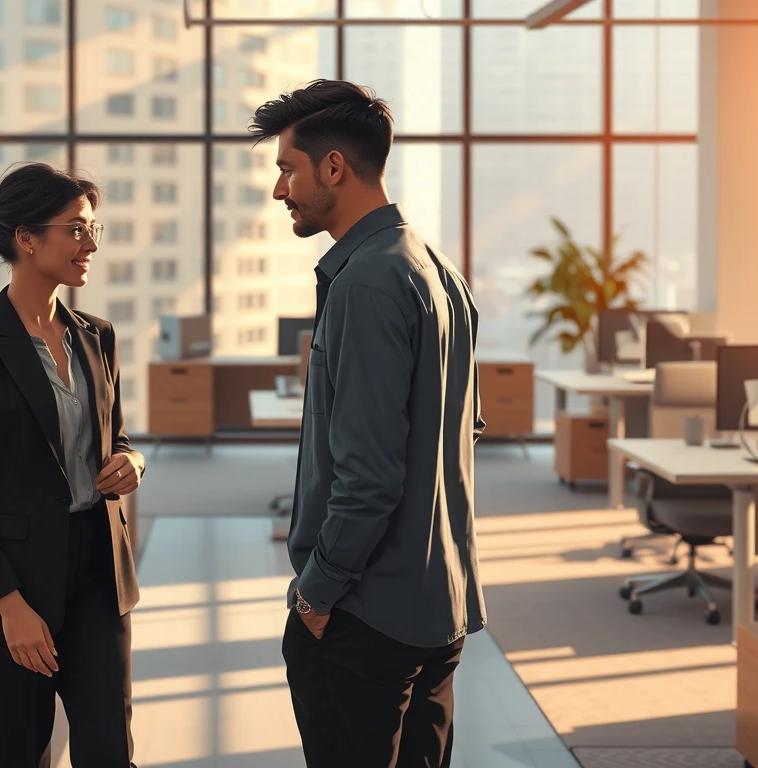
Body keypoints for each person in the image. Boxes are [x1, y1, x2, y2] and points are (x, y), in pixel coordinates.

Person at [250, 80, 486, 768]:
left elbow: (370, 476)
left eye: (286, 169)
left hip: (364, 614)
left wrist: (317, 593)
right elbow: (464, 428)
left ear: (333, 168)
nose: (279, 191)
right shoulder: (437, 269)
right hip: (436, 607)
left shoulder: (365, 281)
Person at [0, 162, 144, 768]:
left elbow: (118, 437)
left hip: (99, 576)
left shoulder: (96, 336)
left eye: (93, 227)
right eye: (76, 229)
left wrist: (132, 461)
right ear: (26, 239)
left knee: (109, 754)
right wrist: (9, 606)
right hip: (15, 584)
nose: (91, 243)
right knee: (20, 755)